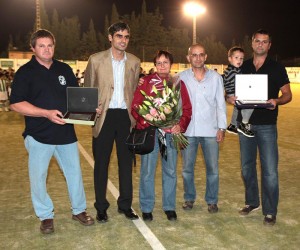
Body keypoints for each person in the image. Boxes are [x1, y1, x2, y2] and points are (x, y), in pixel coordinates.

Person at [9, 29, 94, 234]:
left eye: (50, 45)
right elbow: (16, 104)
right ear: (33, 48)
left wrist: (90, 108)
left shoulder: (64, 69)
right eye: (41, 46)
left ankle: (79, 210)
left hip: (66, 134)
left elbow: (75, 99)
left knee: (74, 174)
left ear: (54, 46)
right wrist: (45, 113)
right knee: (38, 178)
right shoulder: (25, 72)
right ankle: (45, 216)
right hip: (39, 135)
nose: (46, 49)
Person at [232, 29, 292, 226]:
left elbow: (287, 94)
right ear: (252, 43)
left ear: (269, 45)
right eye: (257, 41)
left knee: (270, 171)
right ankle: (252, 202)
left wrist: (277, 100)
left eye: (264, 42)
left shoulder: (277, 68)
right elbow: (230, 90)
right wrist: (229, 97)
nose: (260, 44)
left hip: (267, 125)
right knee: (246, 167)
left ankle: (270, 210)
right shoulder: (242, 65)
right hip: (245, 124)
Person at [84, 22, 140, 223]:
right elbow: (88, 90)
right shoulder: (96, 60)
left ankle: (125, 205)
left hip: (125, 118)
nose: (123, 40)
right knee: (101, 164)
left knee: (126, 164)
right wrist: (92, 109)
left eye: (126, 36)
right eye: (119, 36)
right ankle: (101, 207)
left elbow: (133, 92)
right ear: (110, 38)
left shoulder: (134, 61)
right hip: (103, 118)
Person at [131, 50, 192, 221]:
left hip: (170, 135)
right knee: (148, 171)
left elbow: (186, 108)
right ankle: (147, 207)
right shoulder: (146, 82)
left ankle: (169, 207)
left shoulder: (178, 83)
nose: (162, 66)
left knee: (170, 171)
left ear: (171, 64)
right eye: (159, 63)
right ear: (155, 65)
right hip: (150, 133)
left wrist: (180, 125)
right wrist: (148, 120)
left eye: (165, 62)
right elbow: (136, 105)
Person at [179, 44, 227, 213]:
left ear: (206, 57)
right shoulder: (181, 77)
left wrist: (222, 127)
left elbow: (221, 105)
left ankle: (212, 200)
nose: (198, 58)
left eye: (201, 55)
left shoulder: (215, 78)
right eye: (194, 55)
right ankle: (189, 197)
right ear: (188, 57)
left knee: (213, 169)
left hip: (211, 131)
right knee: (186, 169)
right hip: (188, 131)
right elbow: (175, 104)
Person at [223, 46, 254, 137]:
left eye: (241, 58)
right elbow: (240, 82)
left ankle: (232, 125)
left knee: (237, 108)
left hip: (232, 92)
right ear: (230, 59)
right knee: (250, 103)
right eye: (236, 58)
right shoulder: (232, 71)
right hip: (234, 93)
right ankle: (244, 124)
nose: (239, 60)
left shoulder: (234, 69)